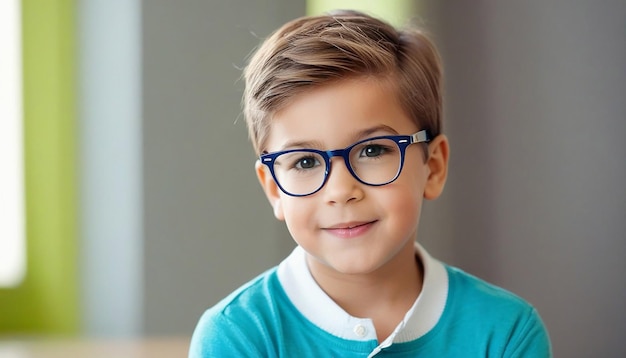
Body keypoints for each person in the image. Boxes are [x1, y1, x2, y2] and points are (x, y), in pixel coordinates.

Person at [189, 9, 551, 357]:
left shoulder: (506, 333)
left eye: (373, 151)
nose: (341, 190)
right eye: (305, 161)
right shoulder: (236, 336)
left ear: (434, 167)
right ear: (273, 189)